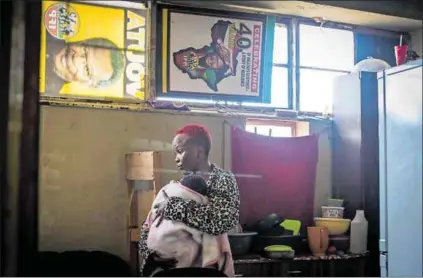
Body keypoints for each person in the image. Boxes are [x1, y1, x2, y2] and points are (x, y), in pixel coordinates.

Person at [139, 124, 240, 276]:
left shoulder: (222, 180)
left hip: (203, 270)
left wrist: (173, 207)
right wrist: (152, 255)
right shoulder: (179, 187)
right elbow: (151, 223)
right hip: (168, 267)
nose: (176, 159)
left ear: (199, 152)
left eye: (179, 151)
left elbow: (222, 220)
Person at [142, 175, 232, 277]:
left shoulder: (206, 212)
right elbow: (146, 230)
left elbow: (147, 229)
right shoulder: (166, 200)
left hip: (175, 266)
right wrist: (151, 256)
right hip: (161, 264)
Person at [43, 35, 125, 95]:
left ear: (90, 85)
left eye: (87, 70)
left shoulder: (46, 94)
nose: (76, 59)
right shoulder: (50, 27)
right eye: (85, 51)